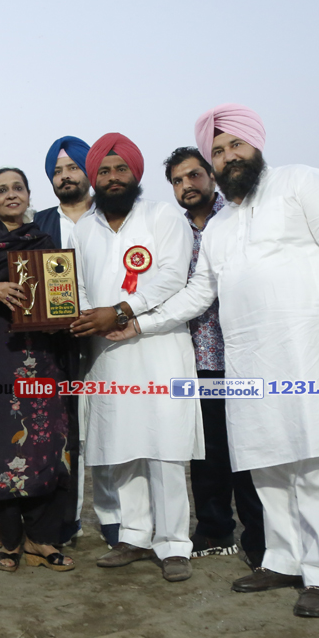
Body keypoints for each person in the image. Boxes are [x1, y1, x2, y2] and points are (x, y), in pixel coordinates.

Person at [132, 105, 319, 617]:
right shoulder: (220, 226)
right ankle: (282, 560)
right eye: (218, 151)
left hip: (308, 352)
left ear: (256, 144)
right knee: (266, 464)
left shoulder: (301, 182)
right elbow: (199, 292)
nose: (228, 157)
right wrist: (139, 323)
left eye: (235, 145)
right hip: (248, 360)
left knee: (314, 464)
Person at [69, 133, 200, 583]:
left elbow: (172, 277)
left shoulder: (163, 216)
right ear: (94, 178)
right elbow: (78, 285)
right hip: (107, 351)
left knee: (165, 447)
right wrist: (90, 316)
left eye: (120, 169)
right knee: (121, 442)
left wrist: (122, 310)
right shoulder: (84, 228)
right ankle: (134, 536)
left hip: (158, 346)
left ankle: (174, 544)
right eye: (104, 171)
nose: (112, 177)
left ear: (135, 173)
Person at [0, 167, 78, 572]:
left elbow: (62, 298)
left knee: (44, 440)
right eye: (1, 190)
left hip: (43, 357)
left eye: (17, 188)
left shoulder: (45, 244)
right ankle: (10, 539)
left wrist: (62, 318)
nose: (10, 195)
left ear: (28, 195)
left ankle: (43, 537)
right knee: (2, 443)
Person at [165, 146, 265, 567]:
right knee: (206, 450)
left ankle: (260, 539)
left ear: (211, 175)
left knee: (250, 448)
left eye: (193, 175)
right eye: (177, 181)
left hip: (245, 354)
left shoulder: (241, 215)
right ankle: (213, 529)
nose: (186, 185)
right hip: (195, 357)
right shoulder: (172, 230)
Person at [35, 136, 95, 545]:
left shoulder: (111, 217)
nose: (65, 176)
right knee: (63, 431)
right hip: (56, 345)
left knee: (105, 427)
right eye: (57, 171)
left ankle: (117, 521)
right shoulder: (39, 224)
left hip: (110, 336)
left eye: (72, 167)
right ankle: (66, 520)